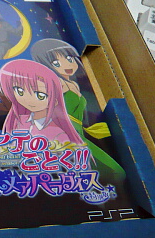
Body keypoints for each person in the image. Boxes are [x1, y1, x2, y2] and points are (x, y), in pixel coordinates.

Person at [30, 38, 125, 181]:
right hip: (67, 135)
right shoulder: (58, 84)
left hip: (79, 133)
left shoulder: (72, 84)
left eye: (69, 59)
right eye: (56, 63)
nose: (67, 65)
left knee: (103, 171)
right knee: (115, 171)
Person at [0, 59, 84, 145]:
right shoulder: (19, 121)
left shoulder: (58, 133)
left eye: (40, 95)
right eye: (19, 91)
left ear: (55, 101)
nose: (28, 99)